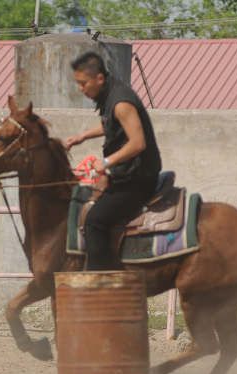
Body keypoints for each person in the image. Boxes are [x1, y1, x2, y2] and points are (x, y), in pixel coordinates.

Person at [64, 51, 162, 271]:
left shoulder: (120, 102)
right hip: (125, 174)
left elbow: (138, 143)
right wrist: (82, 136)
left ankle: (101, 279)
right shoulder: (109, 97)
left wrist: (106, 162)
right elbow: (112, 125)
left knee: (95, 221)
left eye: (83, 83)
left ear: (99, 78)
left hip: (138, 179)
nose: (81, 89)